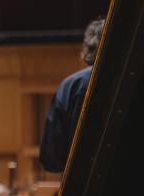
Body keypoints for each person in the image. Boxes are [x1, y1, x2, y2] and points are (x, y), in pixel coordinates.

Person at [40, 17, 105, 172]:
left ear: (90, 47)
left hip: (83, 191)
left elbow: (51, 158)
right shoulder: (143, 81)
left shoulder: (70, 86)